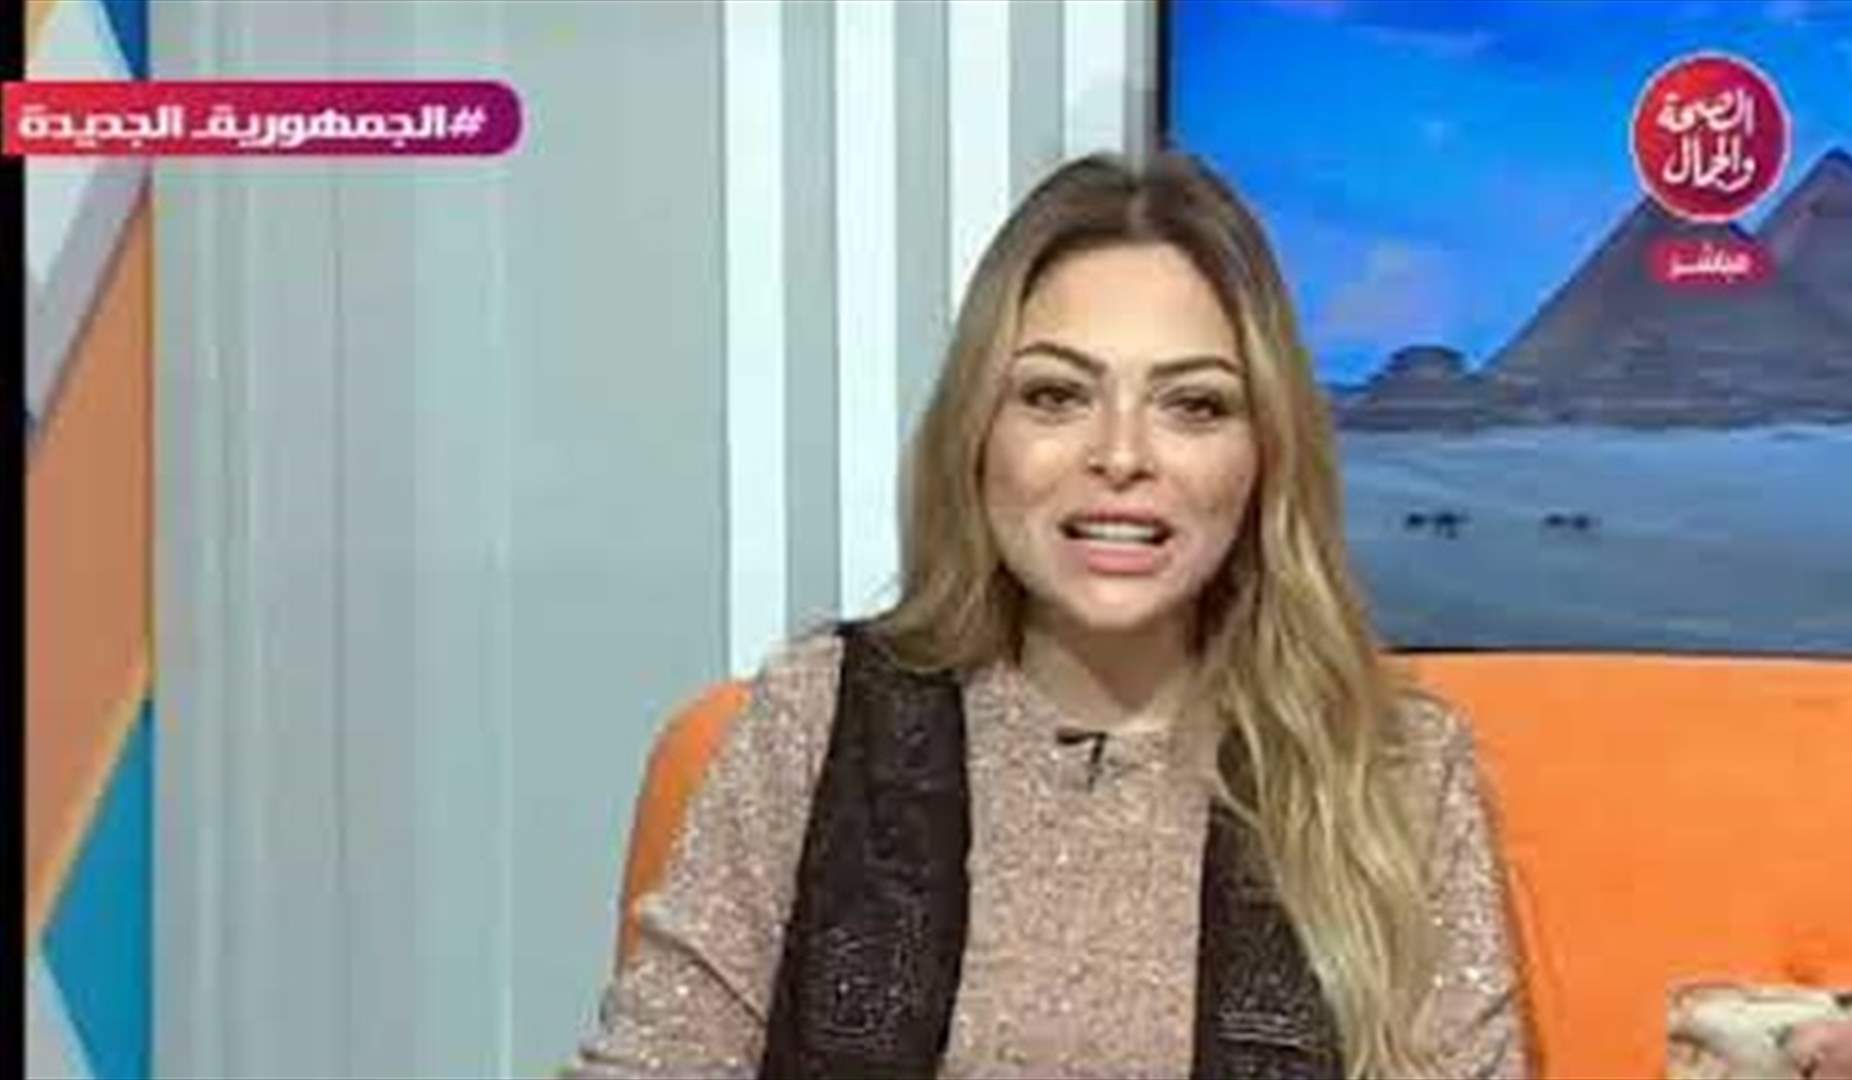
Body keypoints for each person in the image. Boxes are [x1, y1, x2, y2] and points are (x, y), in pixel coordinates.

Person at [566, 150, 1530, 1079]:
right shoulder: (817, 717)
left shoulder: (1393, 764)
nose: (1121, 456)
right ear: (978, 435)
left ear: (1265, 455)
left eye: (1194, 406)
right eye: (1056, 396)